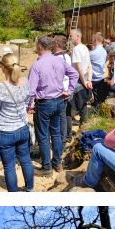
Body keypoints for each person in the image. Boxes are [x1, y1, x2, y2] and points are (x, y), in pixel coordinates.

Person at [28, 36, 79, 175]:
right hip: (59, 101)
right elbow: (74, 74)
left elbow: (31, 90)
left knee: (43, 136)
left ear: (39, 47)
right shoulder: (59, 60)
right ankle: (57, 163)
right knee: (56, 134)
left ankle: (47, 168)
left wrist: (29, 105)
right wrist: (69, 90)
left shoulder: (37, 65)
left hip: (44, 104)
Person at [0, 53, 34, 192]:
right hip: (22, 128)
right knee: (26, 160)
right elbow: (27, 102)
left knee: (9, 166)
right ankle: (29, 188)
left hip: (5, 131)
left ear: (3, 68)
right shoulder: (25, 82)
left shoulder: (0, 87)